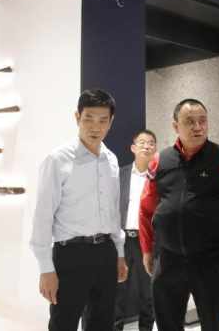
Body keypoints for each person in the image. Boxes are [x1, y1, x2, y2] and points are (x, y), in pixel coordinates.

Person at [139, 99, 219, 331]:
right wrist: (147, 249)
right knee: (167, 325)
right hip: (168, 260)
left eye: (202, 121)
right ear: (175, 126)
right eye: (190, 121)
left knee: (213, 324)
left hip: (210, 260)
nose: (198, 127)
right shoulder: (160, 161)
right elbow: (146, 208)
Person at [30, 89, 127, 331]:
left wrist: (119, 253)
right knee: (63, 323)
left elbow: (113, 212)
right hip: (70, 256)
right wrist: (45, 269)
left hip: (106, 252)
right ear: (77, 117)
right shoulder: (57, 160)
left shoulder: (111, 160)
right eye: (88, 119)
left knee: (102, 323)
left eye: (103, 120)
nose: (96, 127)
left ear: (111, 122)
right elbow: (43, 217)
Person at [111, 130, 157, 331]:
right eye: (142, 142)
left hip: (147, 242)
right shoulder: (119, 174)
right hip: (122, 240)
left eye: (151, 143)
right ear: (133, 148)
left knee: (148, 292)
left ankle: (146, 328)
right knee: (118, 290)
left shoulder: (159, 177)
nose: (146, 146)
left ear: (155, 149)